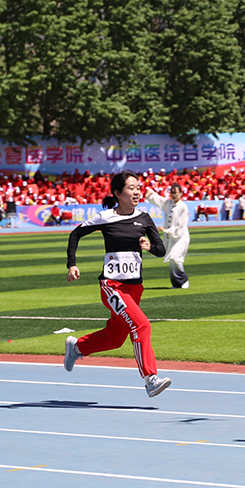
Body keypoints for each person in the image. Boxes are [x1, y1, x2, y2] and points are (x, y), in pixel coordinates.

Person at [63, 170, 172, 397]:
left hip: (135, 287)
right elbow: (75, 234)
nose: (137, 192)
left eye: (138, 188)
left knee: (115, 338)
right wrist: (71, 264)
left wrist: (149, 247)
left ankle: (77, 347)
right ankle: (150, 379)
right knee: (142, 325)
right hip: (112, 286)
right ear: (117, 193)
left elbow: (161, 249)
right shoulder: (105, 217)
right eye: (131, 188)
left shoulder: (144, 218)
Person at [145, 182, 191, 289]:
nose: (174, 195)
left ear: (181, 193)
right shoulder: (168, 203)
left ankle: (183, 280)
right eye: (172, 192)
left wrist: (167, 230)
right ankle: (176, 284)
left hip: (181, 237)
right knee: (172, 259)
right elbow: (159, 200)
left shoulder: (183, 207)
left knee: (175, 258)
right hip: (171, 238)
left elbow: (181, 225)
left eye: (176, 192)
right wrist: (151, 193)